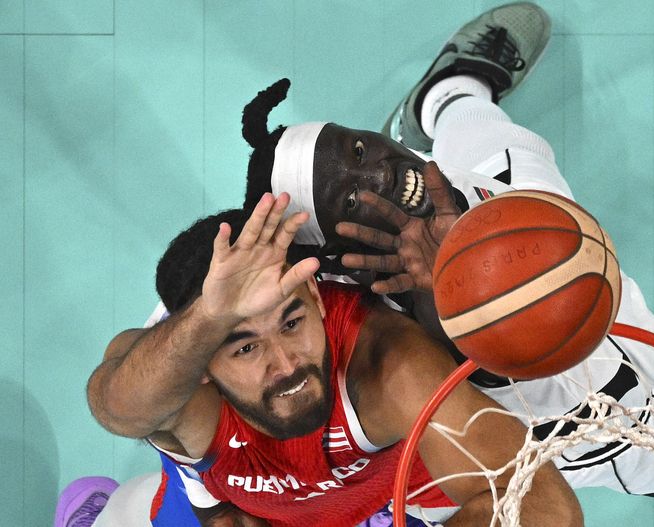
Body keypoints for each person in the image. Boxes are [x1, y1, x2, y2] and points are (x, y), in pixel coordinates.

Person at [235, 3, 654, 522]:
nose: (376, 174)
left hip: (521, 217)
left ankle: (447, 92)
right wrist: (453, 297)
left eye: (358, 150)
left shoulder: (470, 184)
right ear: (341, 260)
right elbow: (512, 393)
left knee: (487, 138)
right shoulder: (365, 335)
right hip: (586, 405)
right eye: (351, 203)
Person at [86, 196, 583, 526]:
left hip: (380, 498)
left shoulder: (387, 367)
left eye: (291, 322)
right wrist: (210, 316)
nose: (286, 366)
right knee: (120, 517)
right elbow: (116, 410)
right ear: (203, 370)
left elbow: (542, 500)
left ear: (318, 300)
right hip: (230, 498)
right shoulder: (181, 392)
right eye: (244, 347)